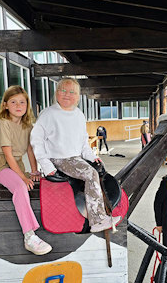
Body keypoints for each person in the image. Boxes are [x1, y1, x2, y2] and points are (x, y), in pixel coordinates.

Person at [31, 78, 120, 233]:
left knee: (95, 169)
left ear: (78, 97)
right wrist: (46, 165)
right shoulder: (48, 114)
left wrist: (91, 157)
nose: (67, 95)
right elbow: (36, 140)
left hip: (75, 158)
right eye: (63, 90)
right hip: (59, 158)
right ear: (56, 93)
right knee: (90, 174)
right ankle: (98, 219)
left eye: (72, 92)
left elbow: (83, 142)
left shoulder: (79, 115)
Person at [0, 86, 52, 255]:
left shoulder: (27, 125)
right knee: (21, 187)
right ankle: (29, 236)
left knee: (41, 184)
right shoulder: (3, 124)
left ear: (27, 105)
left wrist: (35, 171)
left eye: (22, 102)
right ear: (5, 105)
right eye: (13, 102)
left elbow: (30, 150)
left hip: (17, 165)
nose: (18, 105)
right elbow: (7, 155)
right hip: (1, 166)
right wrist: (23, 178)